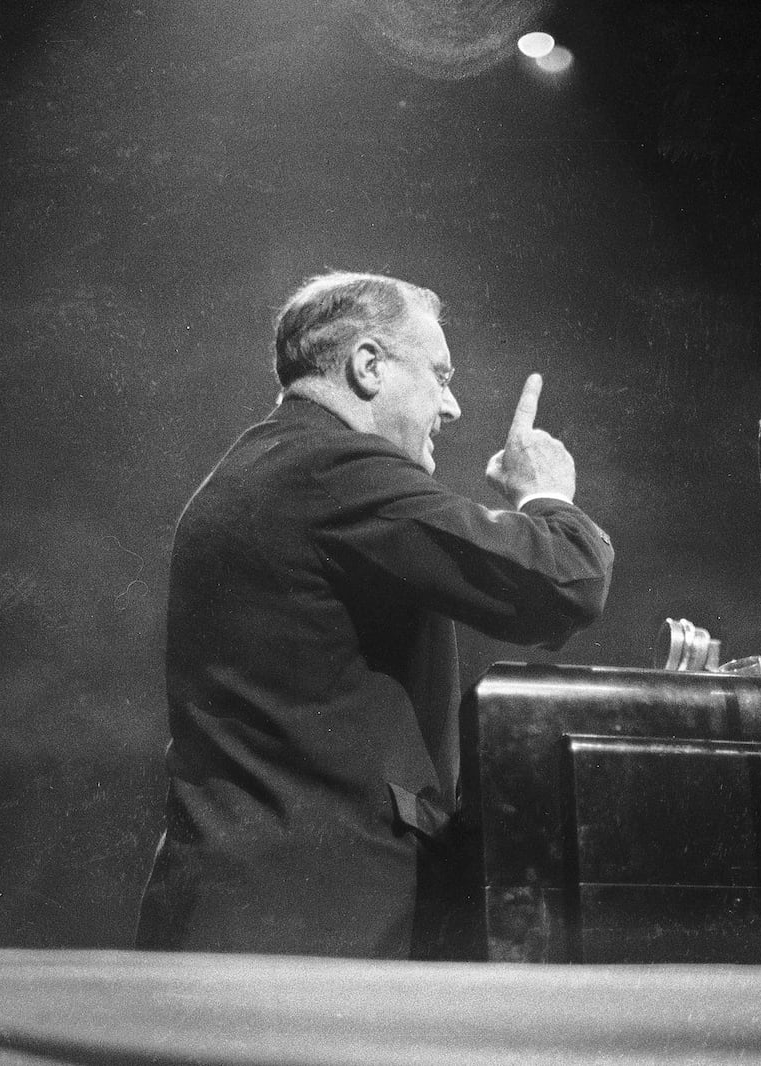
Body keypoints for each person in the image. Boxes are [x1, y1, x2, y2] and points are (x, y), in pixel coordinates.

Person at [135, 272, 614, 959]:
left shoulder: (265, 465)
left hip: (247, 914)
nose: (451, 406)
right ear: (368, 366)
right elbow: (562, 578)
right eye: (440, 375)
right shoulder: (334, 471)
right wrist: (544, 497)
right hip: (306, 931)